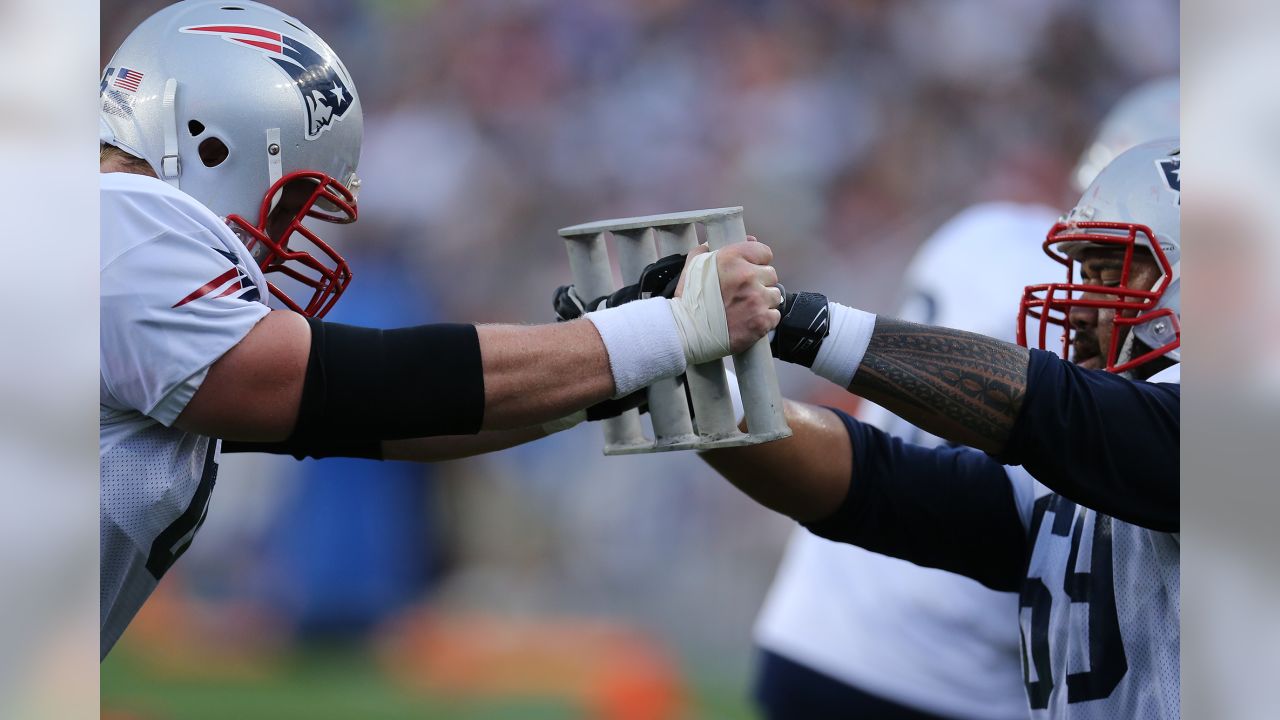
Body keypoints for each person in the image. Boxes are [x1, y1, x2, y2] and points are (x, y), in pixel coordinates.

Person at [99, 0, 782, 658]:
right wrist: (664, 330)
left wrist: (610, 370)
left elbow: (389, 424)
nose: (282, 240)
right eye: (293, 202)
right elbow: (358, 387)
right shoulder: (125, 225)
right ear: (209, 143)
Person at [698, 138, 1180, 719]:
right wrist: (682, 380)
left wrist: (791, 320)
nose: (1080, 307)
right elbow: (879, 484)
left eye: (1112, 275)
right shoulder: (1105, 452)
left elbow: (1047, 405)